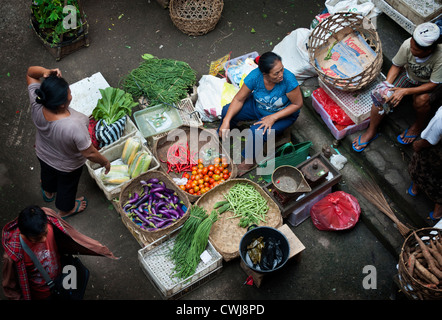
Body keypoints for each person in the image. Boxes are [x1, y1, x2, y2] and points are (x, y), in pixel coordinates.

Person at [27, 66, 111, 219]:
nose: (70, 94)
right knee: (67, 187)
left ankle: (48, 191)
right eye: (69, 93)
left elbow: (31, 74)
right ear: (61, 104)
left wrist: (45, 72)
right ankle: (66, 209)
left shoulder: (37, 103)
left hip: (43, 153)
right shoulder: (75, 124)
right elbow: (89, 152)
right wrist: (104, 162)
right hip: (67, 167)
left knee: (47, 174)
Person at [352, 22, 442, 152]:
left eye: (416, 51)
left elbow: (433, 84)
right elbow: (397, 66)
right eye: (411, 47)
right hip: (409, 76)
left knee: (420, 100)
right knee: (382, 95)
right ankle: (371, 131)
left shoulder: (440, 57)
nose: (411, 51)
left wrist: (404, 91)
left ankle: (418, 125)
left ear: (429, 50)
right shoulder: (407, 45)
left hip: (430, 84)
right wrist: (386, 86)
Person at [2, 205, 117, 300]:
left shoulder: (50, 222)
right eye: (37, 239)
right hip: (42, 294)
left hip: (62, 276)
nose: (43, 240)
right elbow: (10, 287)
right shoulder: (14, 255)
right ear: (24, 233)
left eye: (45, 233)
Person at [218, 52, 303, 175]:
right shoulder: (255, 77)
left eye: (282, 69)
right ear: (264, 74)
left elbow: (297, 104)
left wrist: (273, 117)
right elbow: (238, 99)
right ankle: (225, 130)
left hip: (282, 115)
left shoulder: (288, 80)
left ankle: (250, 161)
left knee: (257, 131)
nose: (281, 75)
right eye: (276, 73)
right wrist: (226, 121)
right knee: (227, 111)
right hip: (257, 106)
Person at [407, 106, 442, 221]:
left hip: (435, 154)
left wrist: (418, 145)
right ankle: (437, 213)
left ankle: (414, 190)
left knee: (421, 167)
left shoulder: (440, 117)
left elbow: (429, 139)